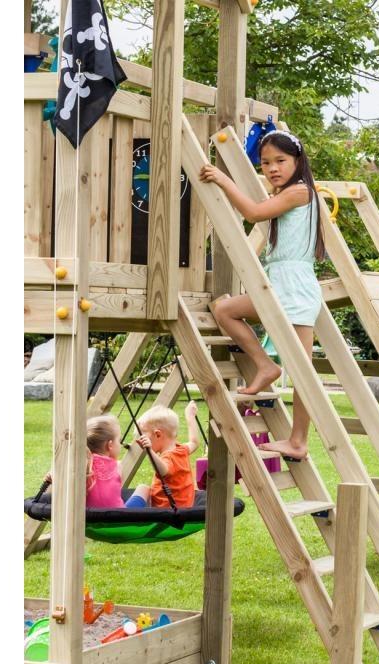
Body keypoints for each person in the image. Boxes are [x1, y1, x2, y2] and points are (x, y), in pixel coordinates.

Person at [199, 129, 324, 460]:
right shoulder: (286, 193)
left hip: (294, 286)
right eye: (265, 162)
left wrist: (225, 181)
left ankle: (298, 441)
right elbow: (262, 204)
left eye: (281, 161)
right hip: (278, 283)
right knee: (225, 310)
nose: (272, 168)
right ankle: (265, 364)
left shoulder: (300, 192)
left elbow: (254, 213)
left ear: (298, 161)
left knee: (302, 371)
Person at [135, 402, 204, 509]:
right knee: (144, 489)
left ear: (158, 434)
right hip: (184, 506)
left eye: (143, 437)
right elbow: (194, 442)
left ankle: (121, 515)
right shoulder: (181, 450)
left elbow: (162, 471)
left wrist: (149, 450)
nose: (141, 442)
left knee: (142, 488)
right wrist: (190, 417)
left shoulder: (168, 457)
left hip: (165, 510)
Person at [85, 415, 151, 509]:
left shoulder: (83, 466)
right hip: (119, 519)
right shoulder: (117, 466)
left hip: (89, 520)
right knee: (144, 488)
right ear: (110, 445)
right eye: (119, 441)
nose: (120, 445)